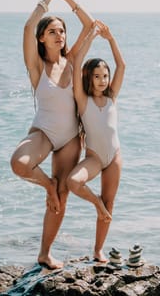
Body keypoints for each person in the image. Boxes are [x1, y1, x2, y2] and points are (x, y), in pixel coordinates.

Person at [10, 0, 94, 269]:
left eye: (62, 31)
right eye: (53, 32)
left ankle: (45, 253)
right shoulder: (36, 67)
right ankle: (48, 187)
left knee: (63, 193)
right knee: (19, 163)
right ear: (42, 39)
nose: (60, 35)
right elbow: (27, 26)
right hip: (44, 132)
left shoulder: (71, 61)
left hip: (71, 138)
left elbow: (90, 24)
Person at [66, 20, 126, 262]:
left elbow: (122, 65)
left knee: (110, 202)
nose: (102, 80)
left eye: (105, 76)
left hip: (114, 157)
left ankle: (98, 250)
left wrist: (110, 39)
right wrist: (91, 37)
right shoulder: (83, 100)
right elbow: (77, 62)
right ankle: (96, 204)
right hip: (94, 157)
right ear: (88, 79)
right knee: (73, 182)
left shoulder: (112, 96)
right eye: (97, 76)